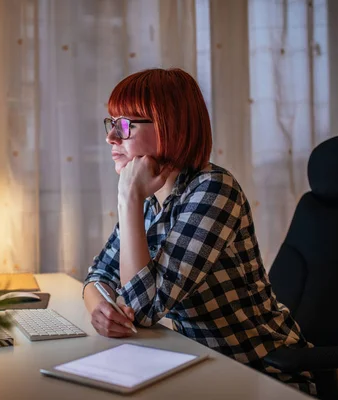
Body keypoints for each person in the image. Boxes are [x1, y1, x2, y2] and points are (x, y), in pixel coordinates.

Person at [82, 68, 315, 395]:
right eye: (112, 122)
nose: (111, 136)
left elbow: (143, 308)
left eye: (125, 124)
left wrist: (128, 198)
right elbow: (98, 273)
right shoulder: (152, 198)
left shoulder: (213, 190)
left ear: (168, 126)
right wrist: (100, 309)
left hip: (260, 373)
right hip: (199, 362)